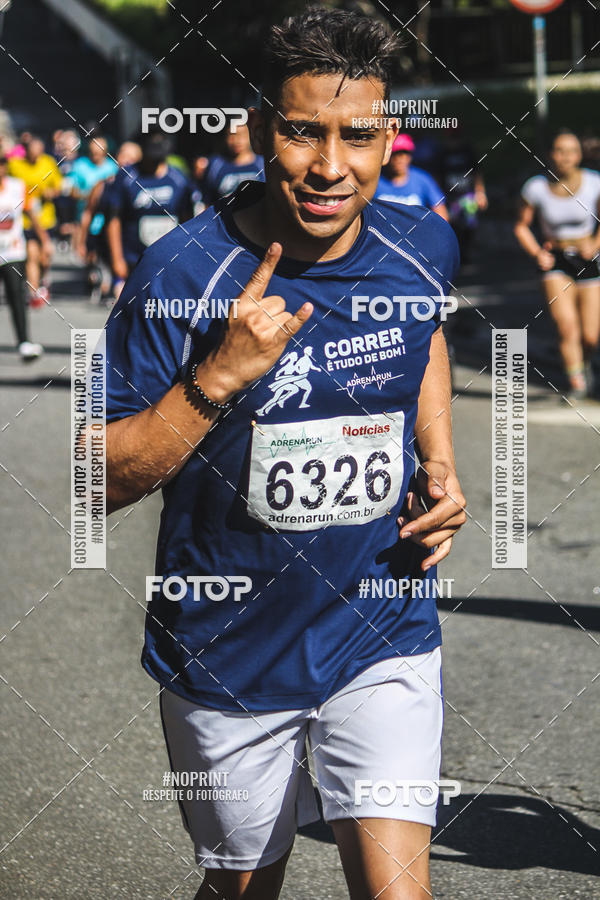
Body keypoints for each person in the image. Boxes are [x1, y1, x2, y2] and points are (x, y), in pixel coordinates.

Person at [104, 8, 466, 898]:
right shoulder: (181, 275)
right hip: (231, 653)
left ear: (390, 141)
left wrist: (440, 461)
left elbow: (423, 338)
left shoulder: (422, 243)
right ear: (263, 130)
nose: (330, 166)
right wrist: (214, 381)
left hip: (381, 631)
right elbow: (93, 478)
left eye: (359, 136)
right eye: (304, 132)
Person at [515, 129, 600, 399]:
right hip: (556, 261)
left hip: (587, 259)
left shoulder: (594, 182)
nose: (565, 157)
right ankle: (576, 381)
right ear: (551, 154)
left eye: (571, 151)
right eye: (559, 151)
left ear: (579, 155)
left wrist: (594, 245)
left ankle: (584, 363)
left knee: (590, 335)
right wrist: (537, 252)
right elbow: (521, 226)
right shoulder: (535, 188)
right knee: (566, 325)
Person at [106, 131, 197, 299]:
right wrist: (117, 260)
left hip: (170, 262)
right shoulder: (127, 177)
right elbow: (114, 219)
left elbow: (188, 221)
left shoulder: (179, 179)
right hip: (134, 260)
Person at [78, 142, 142, 303]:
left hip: (135, 248)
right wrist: (82, 241)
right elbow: (88, 213)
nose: (127, 161)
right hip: (104, 243)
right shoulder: (103, 185)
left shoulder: (145, 189)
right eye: (123, 156)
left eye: (132, 158)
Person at [8, 136, 61, 306]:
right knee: (32, 253)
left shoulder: (48, 163)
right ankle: (34, 292)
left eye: (38, 153)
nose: (35, 157)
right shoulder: (15, 165)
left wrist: (50, 193)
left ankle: (44, 277)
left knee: (45, 256)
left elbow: (58, 187)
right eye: (32, 154)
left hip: (45, 218)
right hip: (25, 219)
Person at [0, 155, 43, 360]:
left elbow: (32, 214)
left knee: (16, 296)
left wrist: (44, 238)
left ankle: (24, 341)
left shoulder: (18, 187)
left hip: (12, 252)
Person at [439, 126, 487, 265]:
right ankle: (457, 254)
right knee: (453, 226)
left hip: (468, 195)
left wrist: (480, 192)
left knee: (470, 226)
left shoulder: (468, 151)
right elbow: (437, 175)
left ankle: (466, 253)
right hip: (450, 196)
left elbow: (477, 173)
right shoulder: (442, 153)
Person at [375, 133, 449, 220]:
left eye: (403, 154)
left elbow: (441, 212)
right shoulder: (376, 180)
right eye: (394, 154)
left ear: (410, 156)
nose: (399, 159)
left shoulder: (422, 179)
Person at [200, 122, 264, 205]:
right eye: (232, 135)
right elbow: (207, 201)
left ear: (250, 135)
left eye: (242, 135)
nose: (237, 140)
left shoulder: (263, 164)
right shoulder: (215, 165)